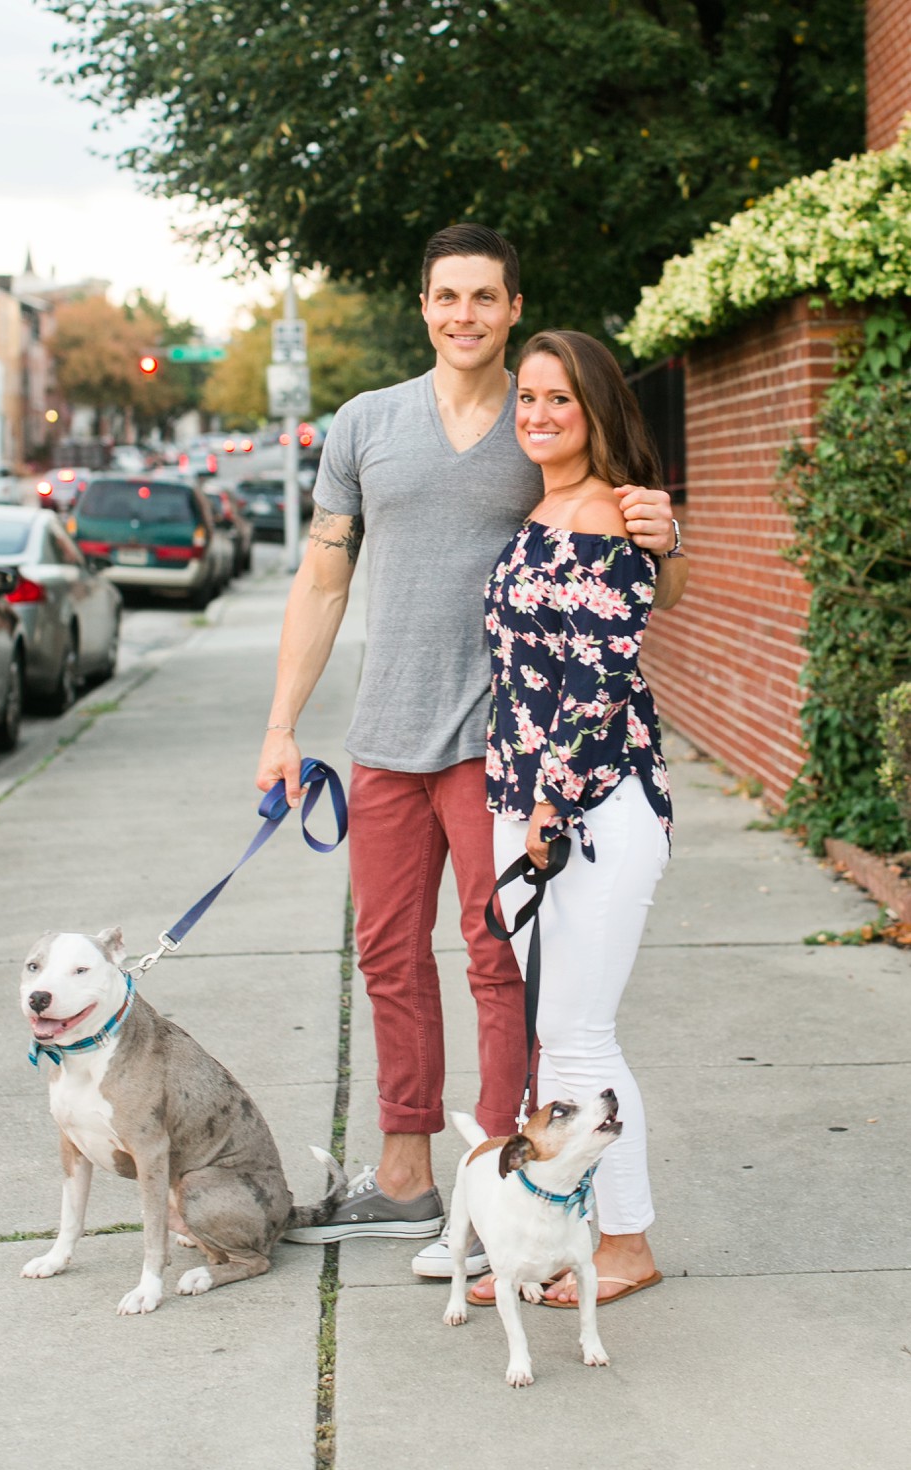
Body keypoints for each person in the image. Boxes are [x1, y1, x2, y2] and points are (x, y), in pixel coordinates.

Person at [256, 226, 687, 1268]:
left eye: (483, 298)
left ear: (509, 305)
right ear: (421, 305)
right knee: (387, 959)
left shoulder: (542, 420)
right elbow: (322, 579)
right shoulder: (365, 425)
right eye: (445, 296)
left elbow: (640, 589)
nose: (463, 314)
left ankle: (497, 1182)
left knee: (500, 966)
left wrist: (665, 538)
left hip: (499, 749)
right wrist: (279, 726)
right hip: (383, 737)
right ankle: (405, 1179)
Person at [468, 329, 675, 1309]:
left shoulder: (613, 520)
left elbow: (594, 685)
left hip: (593, 806)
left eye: (559, 399)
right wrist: (514, 801)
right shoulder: (539, 509)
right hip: (526, 805)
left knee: (580, 1038)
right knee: (560, 1031)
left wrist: (546, 802)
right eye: (528, 399)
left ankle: (626, 1243)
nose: (538, 415)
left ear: (596, 412)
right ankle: (576, 1235)